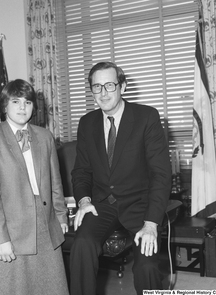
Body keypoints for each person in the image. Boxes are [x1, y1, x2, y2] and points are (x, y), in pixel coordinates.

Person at [70, 62, 172, 295]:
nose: (103, 93)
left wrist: (151, 224)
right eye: (97, 87)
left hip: (140, 206)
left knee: (146, 265)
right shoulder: (87, 123)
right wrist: (84, 201)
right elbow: (81, 171)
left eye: (109, 85)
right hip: (102, 205)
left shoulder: (146, 117)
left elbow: (160, 174)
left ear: (123, 86)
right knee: (82, 245)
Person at [0, 79, 69, 295]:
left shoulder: (45, 137)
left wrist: (61, 216)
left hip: (45, 224)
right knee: (10, 287)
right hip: (9, 227)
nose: (22, 107)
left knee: (49, 286)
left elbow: (56, 181)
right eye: (15, 101)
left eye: (27, 102)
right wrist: (0, 240)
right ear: (4, 106)